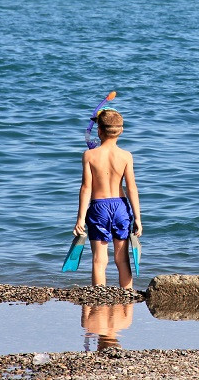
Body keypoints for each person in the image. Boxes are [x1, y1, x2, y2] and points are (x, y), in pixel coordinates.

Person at [73, 108, 142, 288]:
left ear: (99, 131)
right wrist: (138, 218)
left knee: (98, 260)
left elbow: (86, 187)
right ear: (121, 131)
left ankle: (99, 298)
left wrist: (80, 218)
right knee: (123, 259)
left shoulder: (89, 155)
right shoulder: (126, 156)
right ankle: (126, 300)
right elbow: (132, 188)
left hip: (98, 208)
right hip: (121, 206)